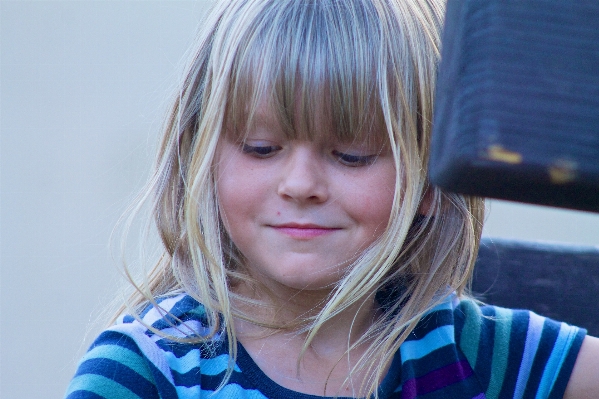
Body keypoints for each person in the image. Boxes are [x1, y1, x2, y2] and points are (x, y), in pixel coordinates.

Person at [65, 0, 599, 398]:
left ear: (432, 182)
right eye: (262, 147)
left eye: (352, 154)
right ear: (199, 163)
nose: (300, 184)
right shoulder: (142, 372)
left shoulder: (468, 352)